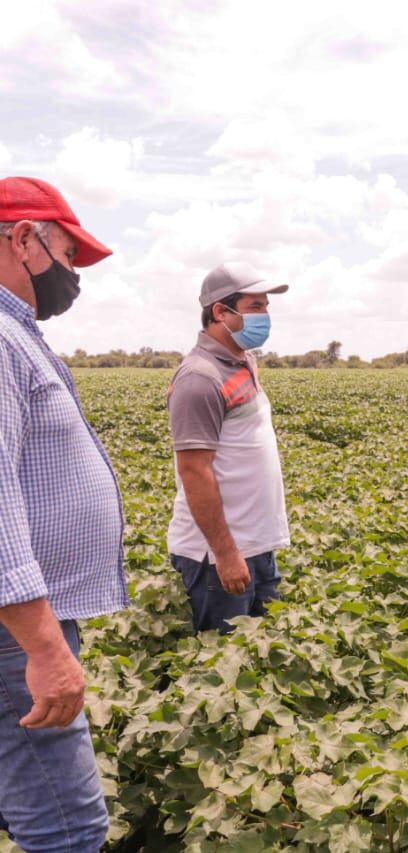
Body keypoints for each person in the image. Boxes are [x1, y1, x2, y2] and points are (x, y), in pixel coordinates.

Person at [0, 176, 124, 851]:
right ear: (24, 239)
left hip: (17, 624)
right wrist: (44, 644)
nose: (74, 274)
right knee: (67, 828)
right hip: (15, 630)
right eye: (70, 255)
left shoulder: (15, 334)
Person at [167, 262, 290, 633]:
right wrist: (225, 553)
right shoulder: (199, 378)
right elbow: (195, 471)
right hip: (218, 557)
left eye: (266, 307)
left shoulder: (243, 361)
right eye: (255, 307)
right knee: (223, 674)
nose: (265, 316)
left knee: (262, 665)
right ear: (221, 311)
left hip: (257, 546)